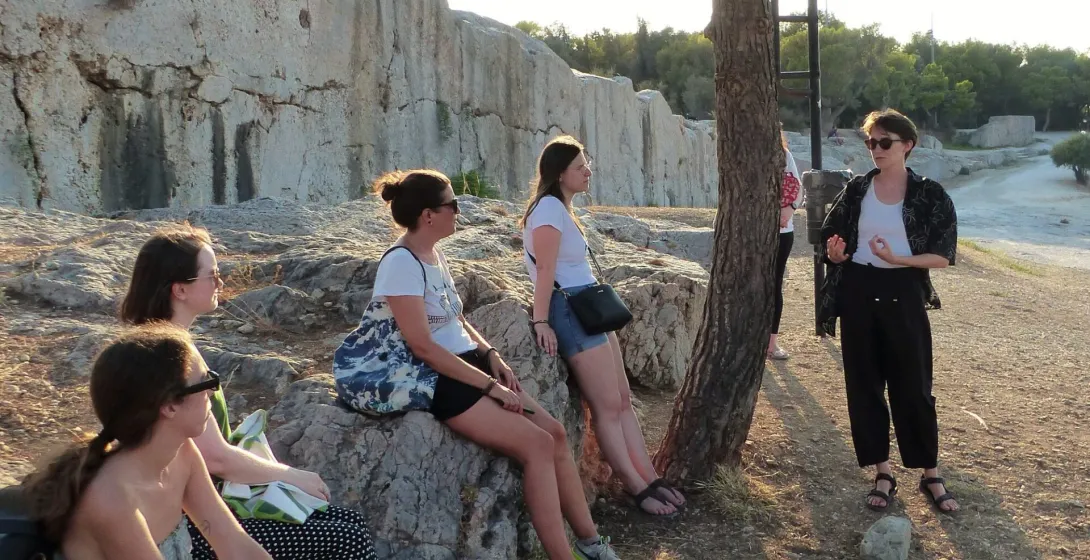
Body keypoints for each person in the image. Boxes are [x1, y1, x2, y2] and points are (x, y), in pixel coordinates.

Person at [336, 169, 621, 560]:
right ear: (428, 216)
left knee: (553, 432)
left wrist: (491, 356)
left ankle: (593, 544)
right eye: (451, 204)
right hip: (439, 377)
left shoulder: (433, 255)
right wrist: (490, 387)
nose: (459, 210)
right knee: (536, 445)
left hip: (470, 363)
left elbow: (457, 318)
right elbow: (423, 346)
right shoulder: (400, 263)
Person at [120, 224, 377, 560]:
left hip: (203, 504)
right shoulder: (167, 357)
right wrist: (291, 475)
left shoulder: (167, 344)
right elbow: (214, 456)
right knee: (347, 541)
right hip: (188, 526)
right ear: (180, 289)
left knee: (349, 524)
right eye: (211, 276)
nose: (221, 282)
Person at [519, 135, 685, 518]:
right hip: (569, 309)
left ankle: (650, 475)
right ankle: (637, 487)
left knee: (623, 399)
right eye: (580, 167)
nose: (588, 171)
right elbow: (544, 271)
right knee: (607, 406)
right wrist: (541, 320)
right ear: (560, 174)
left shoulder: (560, 207)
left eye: (586, 164)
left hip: (589, 305)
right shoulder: (546, 210)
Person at [22, 324, 272, 560]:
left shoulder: (182, 453)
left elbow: (233, 542)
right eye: (207, 382)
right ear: (170, 406)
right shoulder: (114, 502)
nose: (212, 393)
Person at [820, 109, 960, 514]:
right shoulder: (856, 190)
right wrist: (835, 252)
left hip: (903, 291)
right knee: (864, 387)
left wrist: (899, 259)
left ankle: (930, 473)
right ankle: (883, 472)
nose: (876, 150)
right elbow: (833, 237)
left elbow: (943, 256)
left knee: (913, 387)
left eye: (884, 143)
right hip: (859, 290)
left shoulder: (931, 194)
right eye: (870, 143)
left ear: (907, 145)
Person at [770, 128, 803, 360]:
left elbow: (798, 190)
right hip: (755, 232)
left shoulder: (783, 155)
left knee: (774, 287)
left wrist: (789, 210)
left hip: (782, 232)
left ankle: (771, 343)